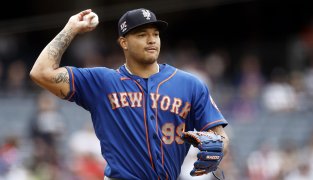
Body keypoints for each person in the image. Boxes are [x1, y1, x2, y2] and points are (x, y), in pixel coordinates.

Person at [30, 8, 229, 179]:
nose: (151, 40)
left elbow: (221, 138)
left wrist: (219, 148)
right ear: (124, 42)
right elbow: (41, 72)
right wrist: (71, 29)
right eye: (142, 34)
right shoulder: (101, 82)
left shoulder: (191, 84)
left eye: (156, 34)